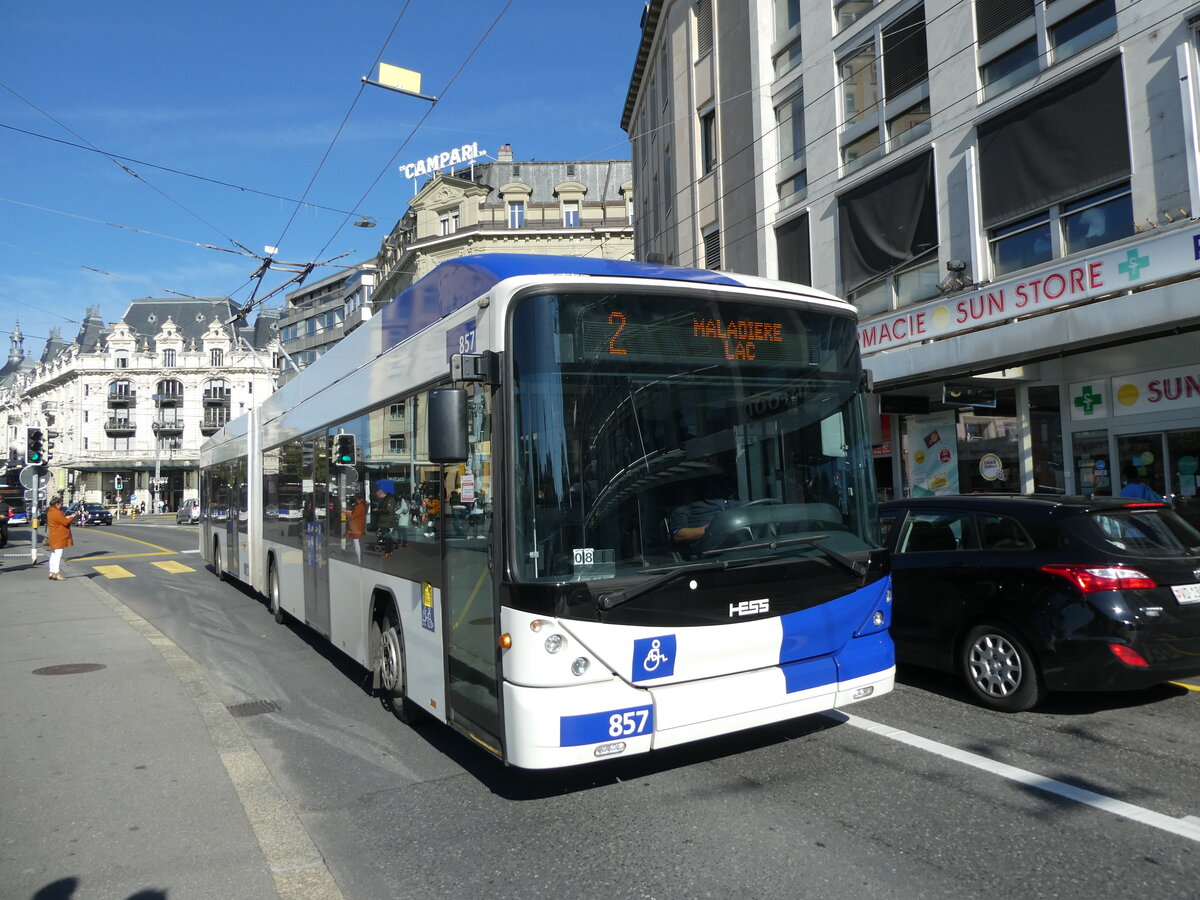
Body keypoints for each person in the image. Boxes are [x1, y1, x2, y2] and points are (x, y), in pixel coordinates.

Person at [46, 496, 78, 581]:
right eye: (61, 504)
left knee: (53, 554)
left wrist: (67, 516)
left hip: (54, 535)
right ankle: (57, 573)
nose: (61, 506)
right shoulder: (57, 512)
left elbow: (60, 520)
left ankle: (51, 572)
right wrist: (72, 517)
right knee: (58, 555)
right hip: (59, 536)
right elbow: (65, 522)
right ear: (57, 504)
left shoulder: (50, 511)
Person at [345, 493, 366, 563]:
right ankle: (358, 558)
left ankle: (359, 559)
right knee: (356, 542)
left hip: (356, 527)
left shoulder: (359, 507)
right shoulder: (360, 506)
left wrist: (346, 512)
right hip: (356, 526)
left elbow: (353, 516)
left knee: (356, 543)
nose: (355, 501)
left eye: (356, 499)